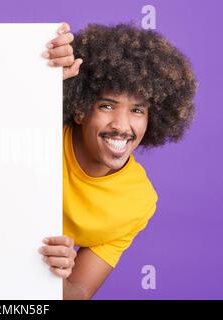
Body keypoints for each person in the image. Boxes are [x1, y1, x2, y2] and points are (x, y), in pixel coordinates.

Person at [40, 22, 197, 299]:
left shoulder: (137, 202)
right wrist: (40, 69)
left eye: (137, 110)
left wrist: (54, 278)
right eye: (107, 106)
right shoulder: (39, 136)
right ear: (80, 109)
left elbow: (78, 292)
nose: (122, 126)